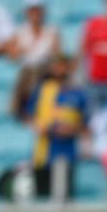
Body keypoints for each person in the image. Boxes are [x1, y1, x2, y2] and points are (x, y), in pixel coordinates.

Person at [24, 54, 89, 199]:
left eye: (63, 66)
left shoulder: (78, 93)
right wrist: (39, 126)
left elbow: (86, 123)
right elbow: (30, 114)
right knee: (41, 195)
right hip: (43, 152)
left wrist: (72, 129)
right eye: (57, 66)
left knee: (64, 196)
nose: (60, 70)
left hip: (66, 152)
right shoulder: (43, 90)